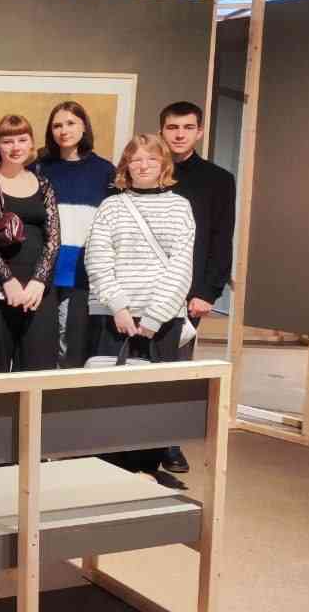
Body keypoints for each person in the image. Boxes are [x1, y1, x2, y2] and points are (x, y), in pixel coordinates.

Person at [86, 133, 195, 487]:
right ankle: (109, 465)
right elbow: (98, 258)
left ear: (164, 165)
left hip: (163, 318)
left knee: (155, 395)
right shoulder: (111, 207)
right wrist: (118, 306)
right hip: (113, 315)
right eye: (136, 159)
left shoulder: (180, 207)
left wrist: (155, 316)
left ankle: (146, 466)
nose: (143, 165)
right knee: (110, 394)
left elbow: (181, 266)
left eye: (151, 159)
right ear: (126, 166)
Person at [159, 100, 236, 475]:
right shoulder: (148, 169)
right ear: (162, 130)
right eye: (173, 127)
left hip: (189, 292)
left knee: (176, 368)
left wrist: (208, 292)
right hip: (144, 286)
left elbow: (221, 239)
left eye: (187, 127)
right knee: (135, 366)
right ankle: (129, 443)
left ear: (199, 132)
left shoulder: (218, 180)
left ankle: (170, 442)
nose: (179, 134)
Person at [0, 115, 61, 374]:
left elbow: (53, 238)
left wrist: (39, 281)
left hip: (37, 291)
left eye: (22, 139)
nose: (16, 147)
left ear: (31, 143)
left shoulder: (43, 184)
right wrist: (6, 280)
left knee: (38, 368)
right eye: (8, 141)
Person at [30, 101, 116, 369]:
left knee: (73, 344)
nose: (64, 130)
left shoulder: (104, 171)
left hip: (82, 270)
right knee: (42, 343)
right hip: (43, 270)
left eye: (70, 123)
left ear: (84, 127)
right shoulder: (38, 169)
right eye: (57, 125)